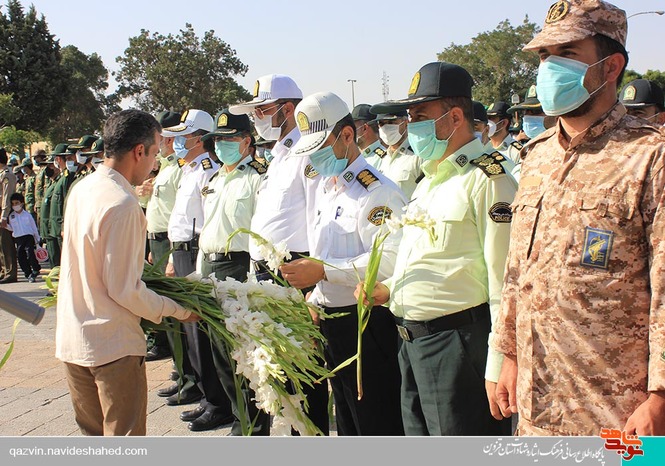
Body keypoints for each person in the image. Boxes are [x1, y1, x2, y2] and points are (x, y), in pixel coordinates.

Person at [492, 0, 665, 437]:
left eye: (567, 53)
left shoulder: (650, 157)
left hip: (618, 414)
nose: (549, 68)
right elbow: (518, 272)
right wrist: (507, 355)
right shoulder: (536, 156)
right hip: (537, 407)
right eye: (544, 56)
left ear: (611, 67)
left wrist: (660, 398)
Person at [366, 61, 517, 436]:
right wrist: (390, 289)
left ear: (454, 117)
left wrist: (498, 365)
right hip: (412, 344)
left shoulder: (488, 179)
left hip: (457, 346)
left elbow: (505, 281)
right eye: (409, 116)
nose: (410, 125)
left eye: (419, 116)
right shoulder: (430, 179)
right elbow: (435, 257)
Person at [55, 109, 198, 436]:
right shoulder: (123, 203)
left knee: (95, 439)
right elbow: (125, 290)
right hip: (112, 346)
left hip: (74, 339)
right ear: (139, 151)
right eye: (155, 152)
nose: (155, 163)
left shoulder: (83, 188)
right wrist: (178, 309)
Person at [282, 91, 406, 435]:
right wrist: (316, 296)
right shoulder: (327, 188)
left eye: (320, 148)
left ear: (348, 135)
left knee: (375, 424)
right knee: (349, 423)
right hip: (331, 323)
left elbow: (390, 261)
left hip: (366, 325)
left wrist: (324, 271)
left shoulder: (377, 192)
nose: (315, 158)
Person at [229, 73, 329, 435]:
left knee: (303, 372)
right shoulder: (278, 155)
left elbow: (319, 218)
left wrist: (315, 291)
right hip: (268, 275)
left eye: (261, 110)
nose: (255, 118)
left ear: (287, 109)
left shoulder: (307, 152)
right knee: (280, 372)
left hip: (296, 274)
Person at [196, 108, 270, 435]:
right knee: (221, 353)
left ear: (246, 141)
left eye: (229, 139)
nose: (221, 145)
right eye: (218, 140)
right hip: (210, 266)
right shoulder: (214, 179)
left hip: (239, 268)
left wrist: (255, 279)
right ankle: (237, 417)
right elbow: (207, 228)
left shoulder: (258, 177)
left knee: (243, 353)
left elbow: (260, 232)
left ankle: (252, 426)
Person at [165, 109, 234, 431]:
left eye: (184, 135)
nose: (178, 141)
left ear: (199, 138)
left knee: (201, 331)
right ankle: (208, 397)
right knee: (191, 330)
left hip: (196, 251)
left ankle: (219, 403)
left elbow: (208, 220)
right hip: (181, 251)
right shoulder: (189, 169)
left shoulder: (209, 170)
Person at [144, 111, 183, 365]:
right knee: (162, 301)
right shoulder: (166, 168)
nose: (162, 143)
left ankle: (183, 366)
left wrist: (170, 252)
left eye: (165, 137)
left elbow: (178, 213)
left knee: (173, 304)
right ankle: (173, 358)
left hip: (169, 242)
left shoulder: (179, 168)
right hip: (157, 241)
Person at [374, 111, 423, 199]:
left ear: (406, 122)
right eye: (381, 124)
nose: (386, 127)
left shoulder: (418, 155)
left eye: (391, 122)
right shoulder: (384, 158)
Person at [6, 192, 40, 282]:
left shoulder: (27, 215)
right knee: (20, 255)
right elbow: (12, 228)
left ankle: (36, 268)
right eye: (13, 204)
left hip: (28, 236)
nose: (15, 205)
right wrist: (5, 226)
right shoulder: (12, 216)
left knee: (30, 253)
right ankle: (28, 273)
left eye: (17, 203)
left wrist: (37, 238)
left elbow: (33, 227)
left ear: (21, 203)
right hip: (18, 238)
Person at [0, 147, 18, 283]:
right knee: (1, 244)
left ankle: (10, 272)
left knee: (6, 243)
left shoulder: (7, 175)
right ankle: (3, 270)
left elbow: (7, 196)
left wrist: (4, 216)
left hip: (4, 213)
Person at [351, 103, 386, 169]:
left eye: (353, 128)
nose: (351, 133)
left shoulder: (384, 158)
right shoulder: (354, 157)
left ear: (365, 128)